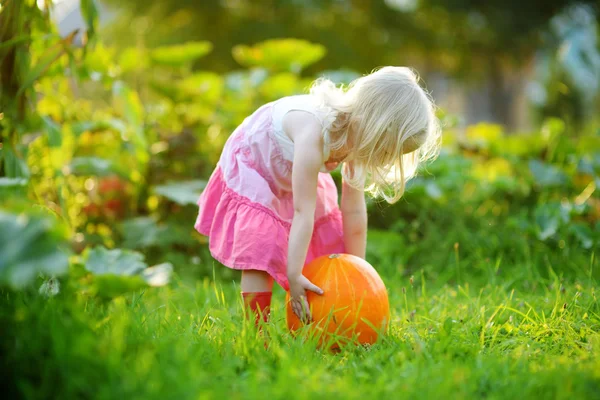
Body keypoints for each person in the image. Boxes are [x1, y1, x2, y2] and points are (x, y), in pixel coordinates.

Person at [194, 66, 441, 326]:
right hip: (256, 163)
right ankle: (256, 332)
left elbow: (354, 210)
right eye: (387, 150)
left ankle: (323, 321)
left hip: (292, 171)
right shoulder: (312, 132)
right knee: (261, 248)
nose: (385, 159)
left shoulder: (358, 138)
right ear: (374, 127)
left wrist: (359, 273)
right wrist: (294, 273)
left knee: (328, 239)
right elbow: (303, 211)